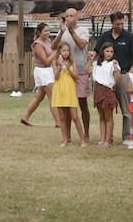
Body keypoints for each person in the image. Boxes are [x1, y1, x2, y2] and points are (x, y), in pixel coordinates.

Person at [94, 11, 133, 144]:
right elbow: (96, 52)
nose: (120, 26)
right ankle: (108, 137)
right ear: (112, 23)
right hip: (105, 81)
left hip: (123, 75)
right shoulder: (104, 36)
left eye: (122, 23)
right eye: (118, 24)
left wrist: (132, 73)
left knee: (126, 108)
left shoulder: (129, 37)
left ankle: (126, 137)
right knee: (106, 108)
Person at [57, 8, 93, 140]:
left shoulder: (83, 30)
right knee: (66, 105)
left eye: (72, 16)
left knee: (82, 103)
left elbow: (82, 45)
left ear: (77, 17)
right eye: (67, 16)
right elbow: (55, 46)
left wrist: (71, 31)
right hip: (66, 72)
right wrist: (61, 31)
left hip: (81, 71)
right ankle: (67, 136)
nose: (69, 18)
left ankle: (86, 134)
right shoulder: (63, 30)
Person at [50, 43, 87, 146]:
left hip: (69, 91)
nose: (66, 52)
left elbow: (75, 77)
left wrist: (68, 68)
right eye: (64, 50)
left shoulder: (72, 62)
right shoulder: (55, 62)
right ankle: (65, 139)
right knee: (62, 117)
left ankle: (82, 140)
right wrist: (60, 67)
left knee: (75, 117)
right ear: (60, 52)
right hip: (59, 90)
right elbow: (56, 77)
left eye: (67, 50)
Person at [20, 23, 57, 126]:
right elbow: (45, 60)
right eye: (45, 31)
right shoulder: (37, 44)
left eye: (49, 31)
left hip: (47, 70)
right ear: (40, 32)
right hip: (42, 71)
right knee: (53, 97)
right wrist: (55, 52)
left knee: (39, 97)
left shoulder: (48, 40)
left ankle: (25, 117)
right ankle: (58, 122)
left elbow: (53, 49)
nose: (48, 33)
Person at [91, 43, 123, 147]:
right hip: (98, 89)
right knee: (101, 116)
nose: (109, 54)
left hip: (108, 90)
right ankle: (102, 138)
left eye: (111, 52)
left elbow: (118, 80)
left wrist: (116, 69)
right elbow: (86, 71)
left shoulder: (114, 64)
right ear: (103, 51)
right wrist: (90, 60)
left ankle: (108, 140)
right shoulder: (96, 63)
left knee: (108, 116)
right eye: (107, 51)